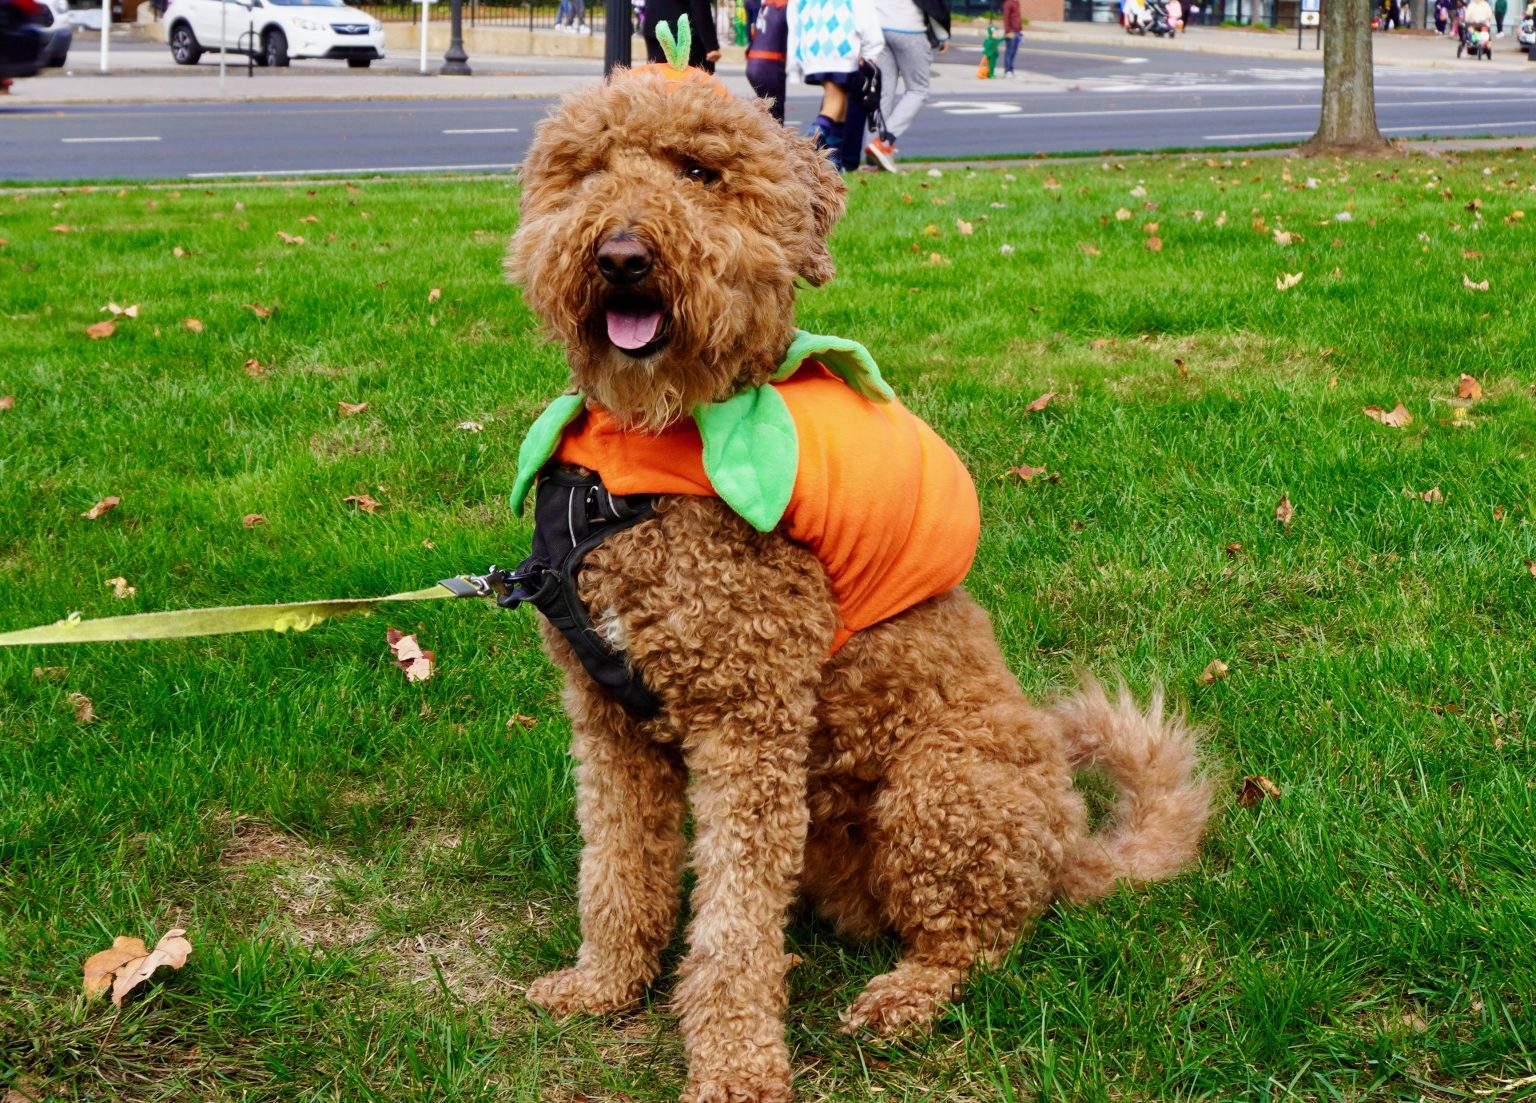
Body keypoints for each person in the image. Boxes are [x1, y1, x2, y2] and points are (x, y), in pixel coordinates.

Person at [789, 0, 885, 159]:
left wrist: (794, 65)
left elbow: (794, 19)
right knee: (835, 103)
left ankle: (835, 165)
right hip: (842, 47)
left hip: (812, 48)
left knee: (840, 110)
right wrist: (871, 50)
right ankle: (805, 150)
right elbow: (864, 13)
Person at [862, 0, 949, 172]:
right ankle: (883, 143)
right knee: (918, 89)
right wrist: (942, 34)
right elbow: (933, 5)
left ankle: (873, 152)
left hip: (878, 28)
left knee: (883, 91)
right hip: (909, 28)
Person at [645, 0, 721, 69]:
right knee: (694, 80)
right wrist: (711, 45)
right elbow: (699, 6)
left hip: (654, 26)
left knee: (659, 77)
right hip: (687, 34)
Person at [747, 0, 789, 121]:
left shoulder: (766, 5)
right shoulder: (786, 5)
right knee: (775, 114)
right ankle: (773, 138)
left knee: (767, 111)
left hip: (754, 62)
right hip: (770, 64)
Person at [1001, 0, 1022, 77]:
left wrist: (1020, 29)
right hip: (1011, 31)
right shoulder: (1008, 3)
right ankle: (1007, 71)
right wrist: (1008, 31)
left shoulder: (1016, 3)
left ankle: (1011, 69)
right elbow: (1006, 18)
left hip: (1017, 32)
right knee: (1009, 52)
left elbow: (1017, 18)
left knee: (1013, 52)